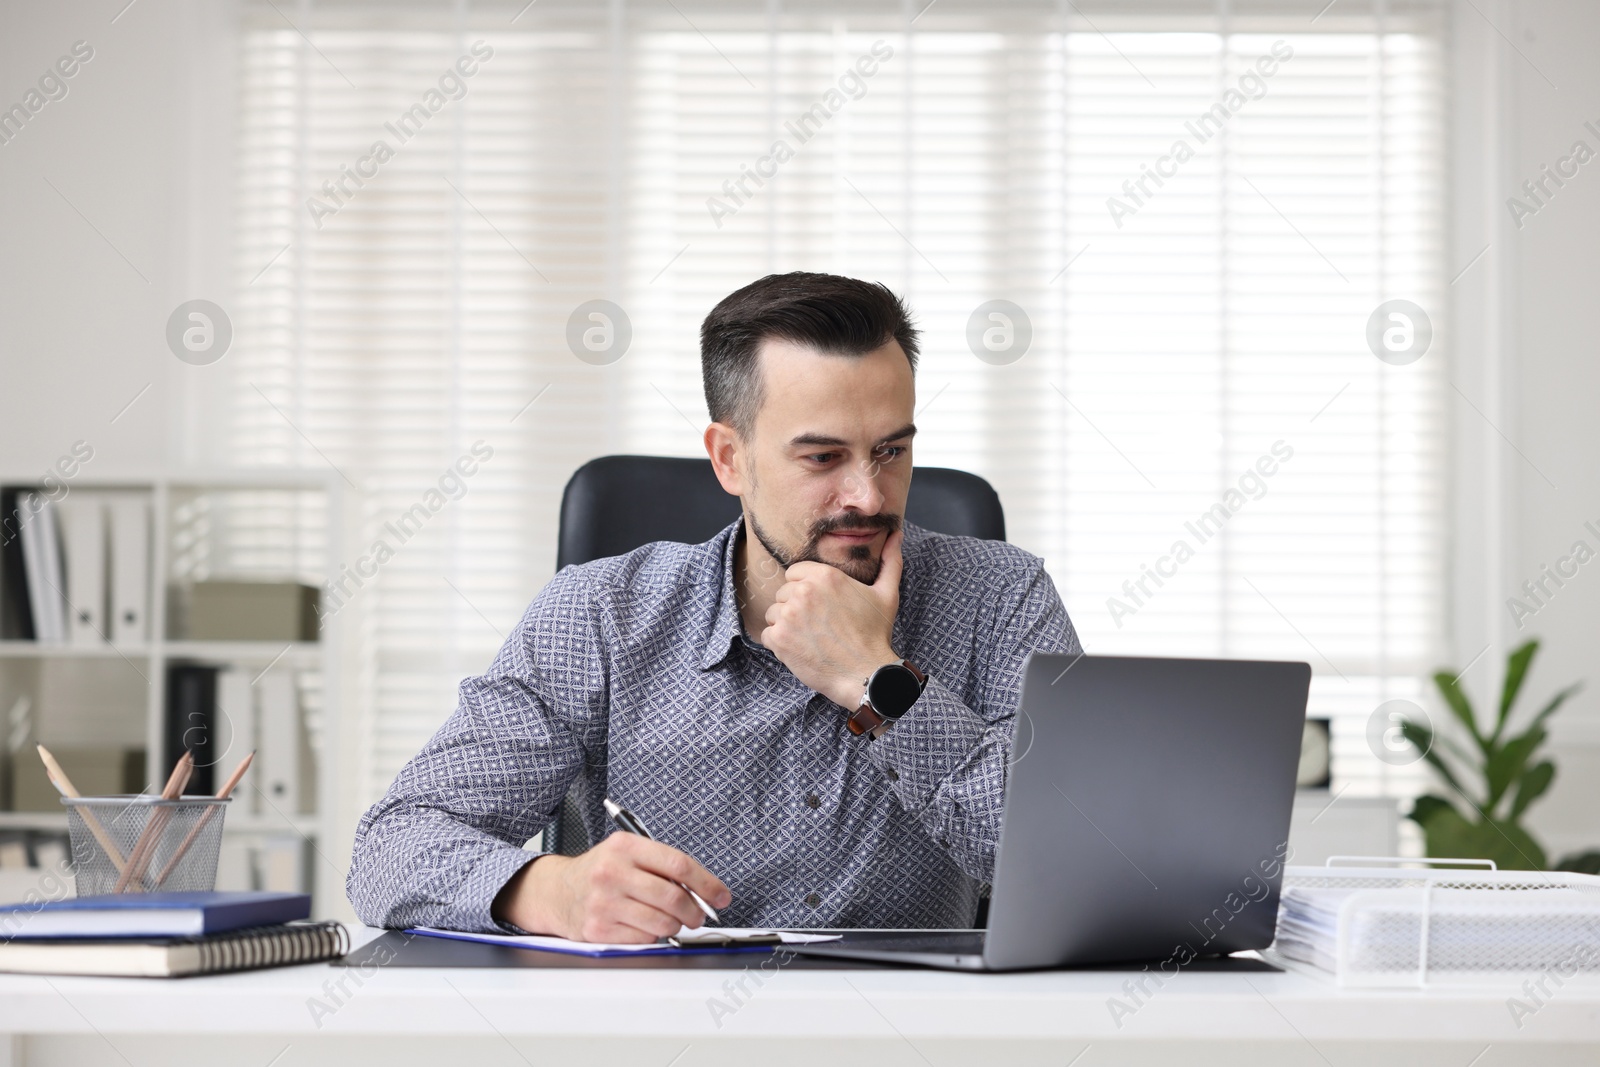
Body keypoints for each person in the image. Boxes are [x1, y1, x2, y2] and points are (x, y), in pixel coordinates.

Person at [347, 272, 1080, 941]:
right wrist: (555, 891)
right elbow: (391, 847)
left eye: (890, 450)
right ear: (730, 458)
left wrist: (878, 682)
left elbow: (1080, 858)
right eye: (823, 458)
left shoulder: (1002, 599)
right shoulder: (599, 617)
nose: (867, 494)